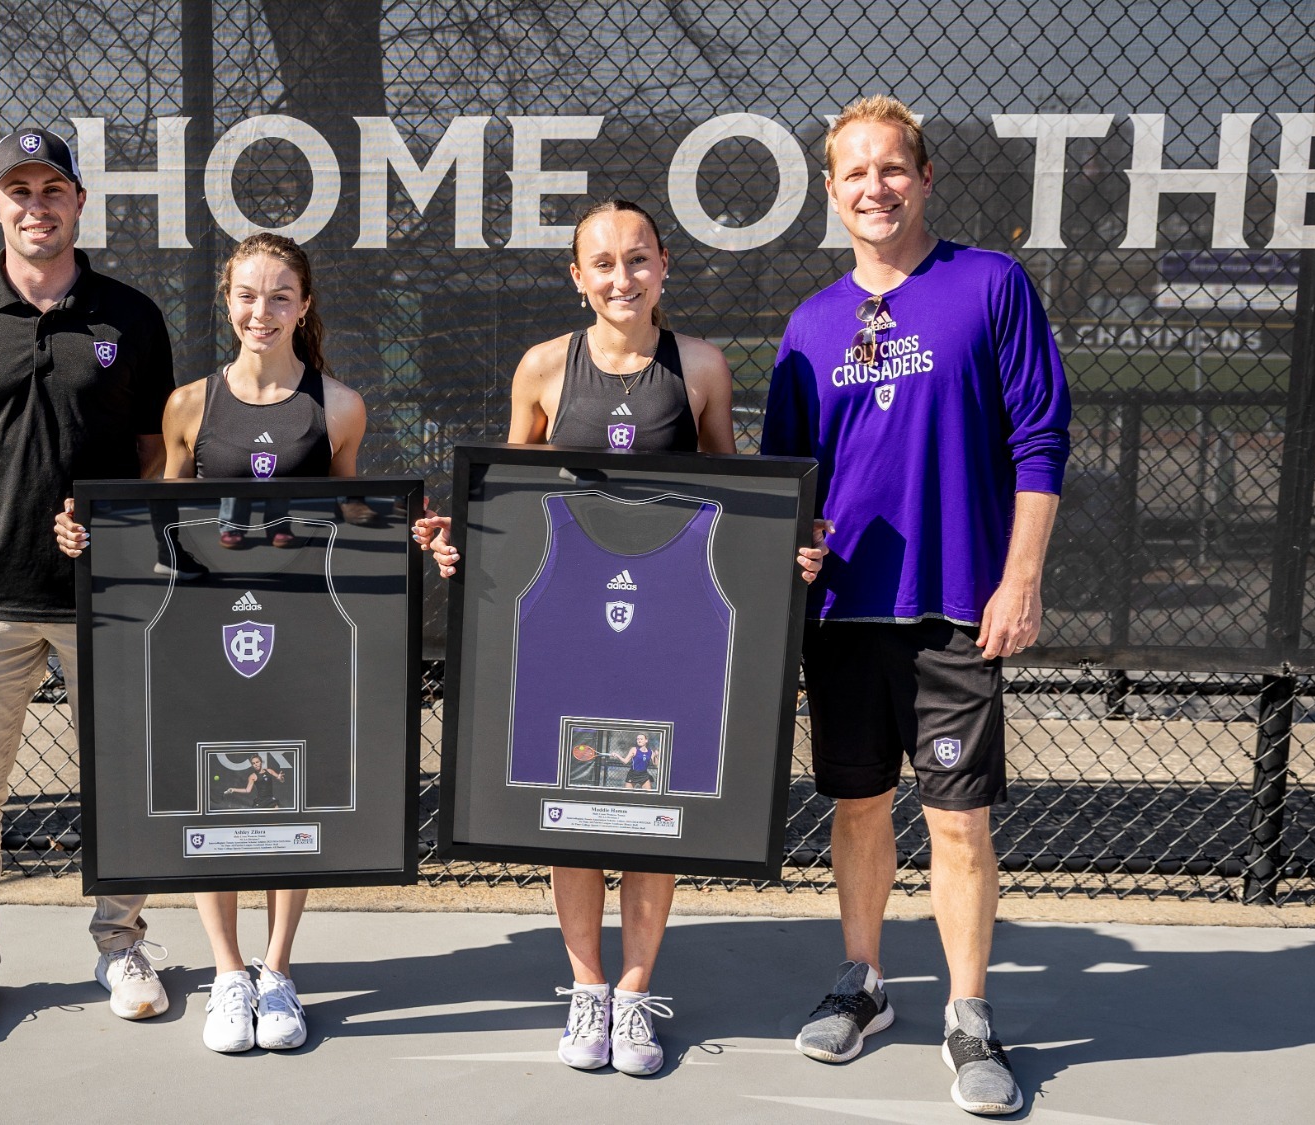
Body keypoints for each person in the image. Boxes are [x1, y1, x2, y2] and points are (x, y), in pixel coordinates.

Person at [414, 199, 827, 1078]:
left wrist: (785, 549)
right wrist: (458, 541)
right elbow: (506, 500)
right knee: (571, 812)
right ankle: (587, 987)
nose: (622, 277)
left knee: (653, 810)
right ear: (577, 277)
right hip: (571, 627)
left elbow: (734, 499)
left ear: (664, 266)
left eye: (637, 259)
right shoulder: (542, 367)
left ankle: (636, 992)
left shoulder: (700, 366)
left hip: (668, 626)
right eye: (602, 263)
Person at [761, 96, 1068, 1117]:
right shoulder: (810, 325)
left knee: (958, 820)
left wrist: (1019, 578)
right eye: (853, 172)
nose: (874, 187)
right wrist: (794, 549)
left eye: (891, 168)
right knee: (855, 807)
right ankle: (863, 983)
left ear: (925, 177)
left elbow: (1039, 440)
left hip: (953, 608)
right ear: (830, 191)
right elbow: (787, 481)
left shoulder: (990, 285)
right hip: (845, 614)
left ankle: (969, 1015)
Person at [58, 232, 366, 1055]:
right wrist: (94, 534)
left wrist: (408, 530)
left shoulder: (339, 406)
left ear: (304, 305)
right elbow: (162, 526)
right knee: (216, 798)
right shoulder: (189, 404)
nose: (261, 311)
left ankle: (277, 969)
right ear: (227, 302)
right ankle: (229, 973)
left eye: (279, 296)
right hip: (208, 635)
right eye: (247, 295)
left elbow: (352, 520)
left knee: (291, 798)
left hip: (300, 636)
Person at [0, 128, 176, 1040]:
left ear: (78, 203)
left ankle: (122, 942)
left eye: (52, 189)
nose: (36, 206)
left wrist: (113, 527)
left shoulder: (130, 317)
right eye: (18, 191)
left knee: (122, 782)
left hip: (105, 599)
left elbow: (154, 452)